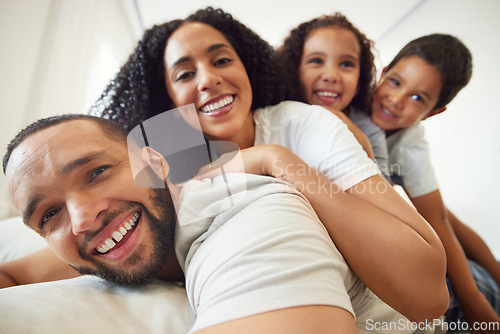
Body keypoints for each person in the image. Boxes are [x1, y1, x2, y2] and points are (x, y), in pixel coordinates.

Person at [2, 7, 447, 326]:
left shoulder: (304, 124)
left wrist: (277, 161)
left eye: (221, 60)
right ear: (166, 104)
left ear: (248, 67)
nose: (207, 78)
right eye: (184, 74)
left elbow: (428, 293)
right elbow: (39, 266)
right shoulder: (165, 161)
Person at [370, 33, 500, 332]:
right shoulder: (354, 99)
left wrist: (473, 298)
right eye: (395, 82)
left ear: (433, 112)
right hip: (367, 189)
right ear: (383, 72)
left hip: (385, 186)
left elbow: (438, 219)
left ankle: (494, 277)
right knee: (436, 212)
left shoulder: (409, 144)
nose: (396, 99)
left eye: (418, 98)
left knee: (440, 214)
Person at [277, 12, 389, 177]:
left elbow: (384, 197)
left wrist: (364, 147)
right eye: (316, 61)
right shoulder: (275, 118)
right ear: (295, 70)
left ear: (360, 81)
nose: (331, 75)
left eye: (346, 64)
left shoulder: (368, 131)